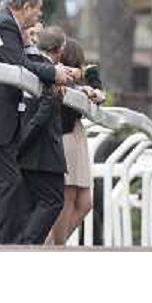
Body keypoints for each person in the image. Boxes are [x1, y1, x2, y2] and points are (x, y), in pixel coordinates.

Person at [0, 0, 73, 243]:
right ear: (24, 6)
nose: (39, 16)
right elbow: (19, 63)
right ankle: (7, 246)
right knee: (8, 184)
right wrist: (55, 73)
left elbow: (21, 61)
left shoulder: (5, 25)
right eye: (38, 9)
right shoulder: (3, 24)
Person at [50, 37, 105, 245]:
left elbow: (99, 95)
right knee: (68, 197)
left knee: (85, 202)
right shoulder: (61, 81)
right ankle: (54, 245)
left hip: (76, 138)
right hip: (66, 138)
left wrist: (90, 78)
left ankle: (52, 244)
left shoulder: (78, 82)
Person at [17, 25, 67, 244]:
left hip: (29, 148)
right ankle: (26, 245)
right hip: (42, 151)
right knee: (53, 201)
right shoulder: (48, 71)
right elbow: (43, 110)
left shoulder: (33, 66)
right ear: (60, 50)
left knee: (31, 203)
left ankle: (25, 243)